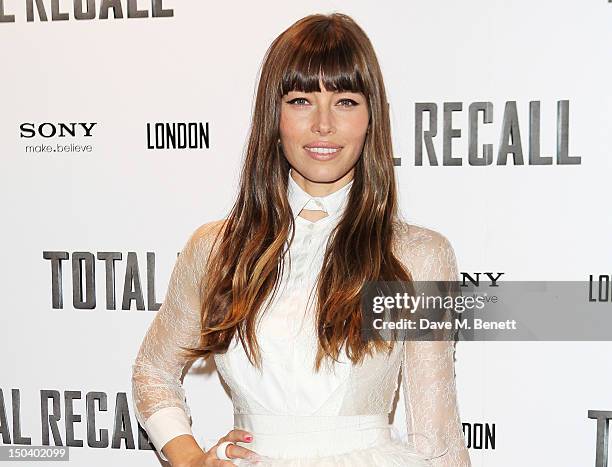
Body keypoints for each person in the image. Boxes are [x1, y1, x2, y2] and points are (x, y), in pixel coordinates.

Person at [131, 12, 471, 467]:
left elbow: (438, 438)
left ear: (372, 118)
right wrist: (190, 459)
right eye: (301, 100)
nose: (324, 125)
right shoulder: (215, 250)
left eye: (346, 101)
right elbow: (152, 371)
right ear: (274, 114)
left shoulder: (417, 256)